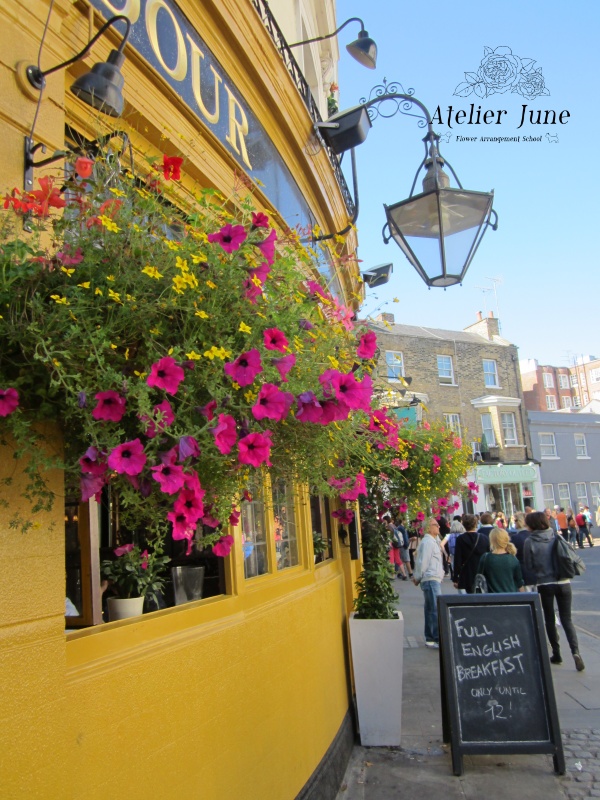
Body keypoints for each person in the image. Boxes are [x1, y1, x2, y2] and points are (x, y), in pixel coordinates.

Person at [523, 511, 585, 671]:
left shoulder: (529, 541)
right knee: (567, 619)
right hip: (564, 581)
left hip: (545, 583)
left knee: (550, 619)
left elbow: (528, 566)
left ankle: (557, 654)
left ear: (532, 525)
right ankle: (576, 652)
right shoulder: (557, 536)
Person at [412, 517, 445, 648]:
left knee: (431, 608)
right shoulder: (428, 543)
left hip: (433, 579)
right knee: (434, 609)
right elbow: (422, 562)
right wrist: (418, 577)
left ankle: (431, 637)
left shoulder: (433, 541)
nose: (438, 526)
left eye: (437, 524)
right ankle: (434, 638)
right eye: (435, 525)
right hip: (430, 579)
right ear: (428, 528)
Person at [476, 527, 524, 593]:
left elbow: (479, 577)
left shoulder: (485, 557)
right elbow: (519, 582)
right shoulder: (513, 559)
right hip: (511, 597)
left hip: (491, 598)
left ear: (492, 540)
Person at [453, 513, 490, 594]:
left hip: (467, 573)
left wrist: (455, 578)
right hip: (482, 572)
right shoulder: (484, 538)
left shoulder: (460, 539)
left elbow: (457, 559)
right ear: (476, 523)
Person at [510, 512, 536, 591]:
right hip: (537, 571)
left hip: (523, 572)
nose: (514, 522)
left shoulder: (514, 538)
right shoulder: (534, 535)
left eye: (515, 520)